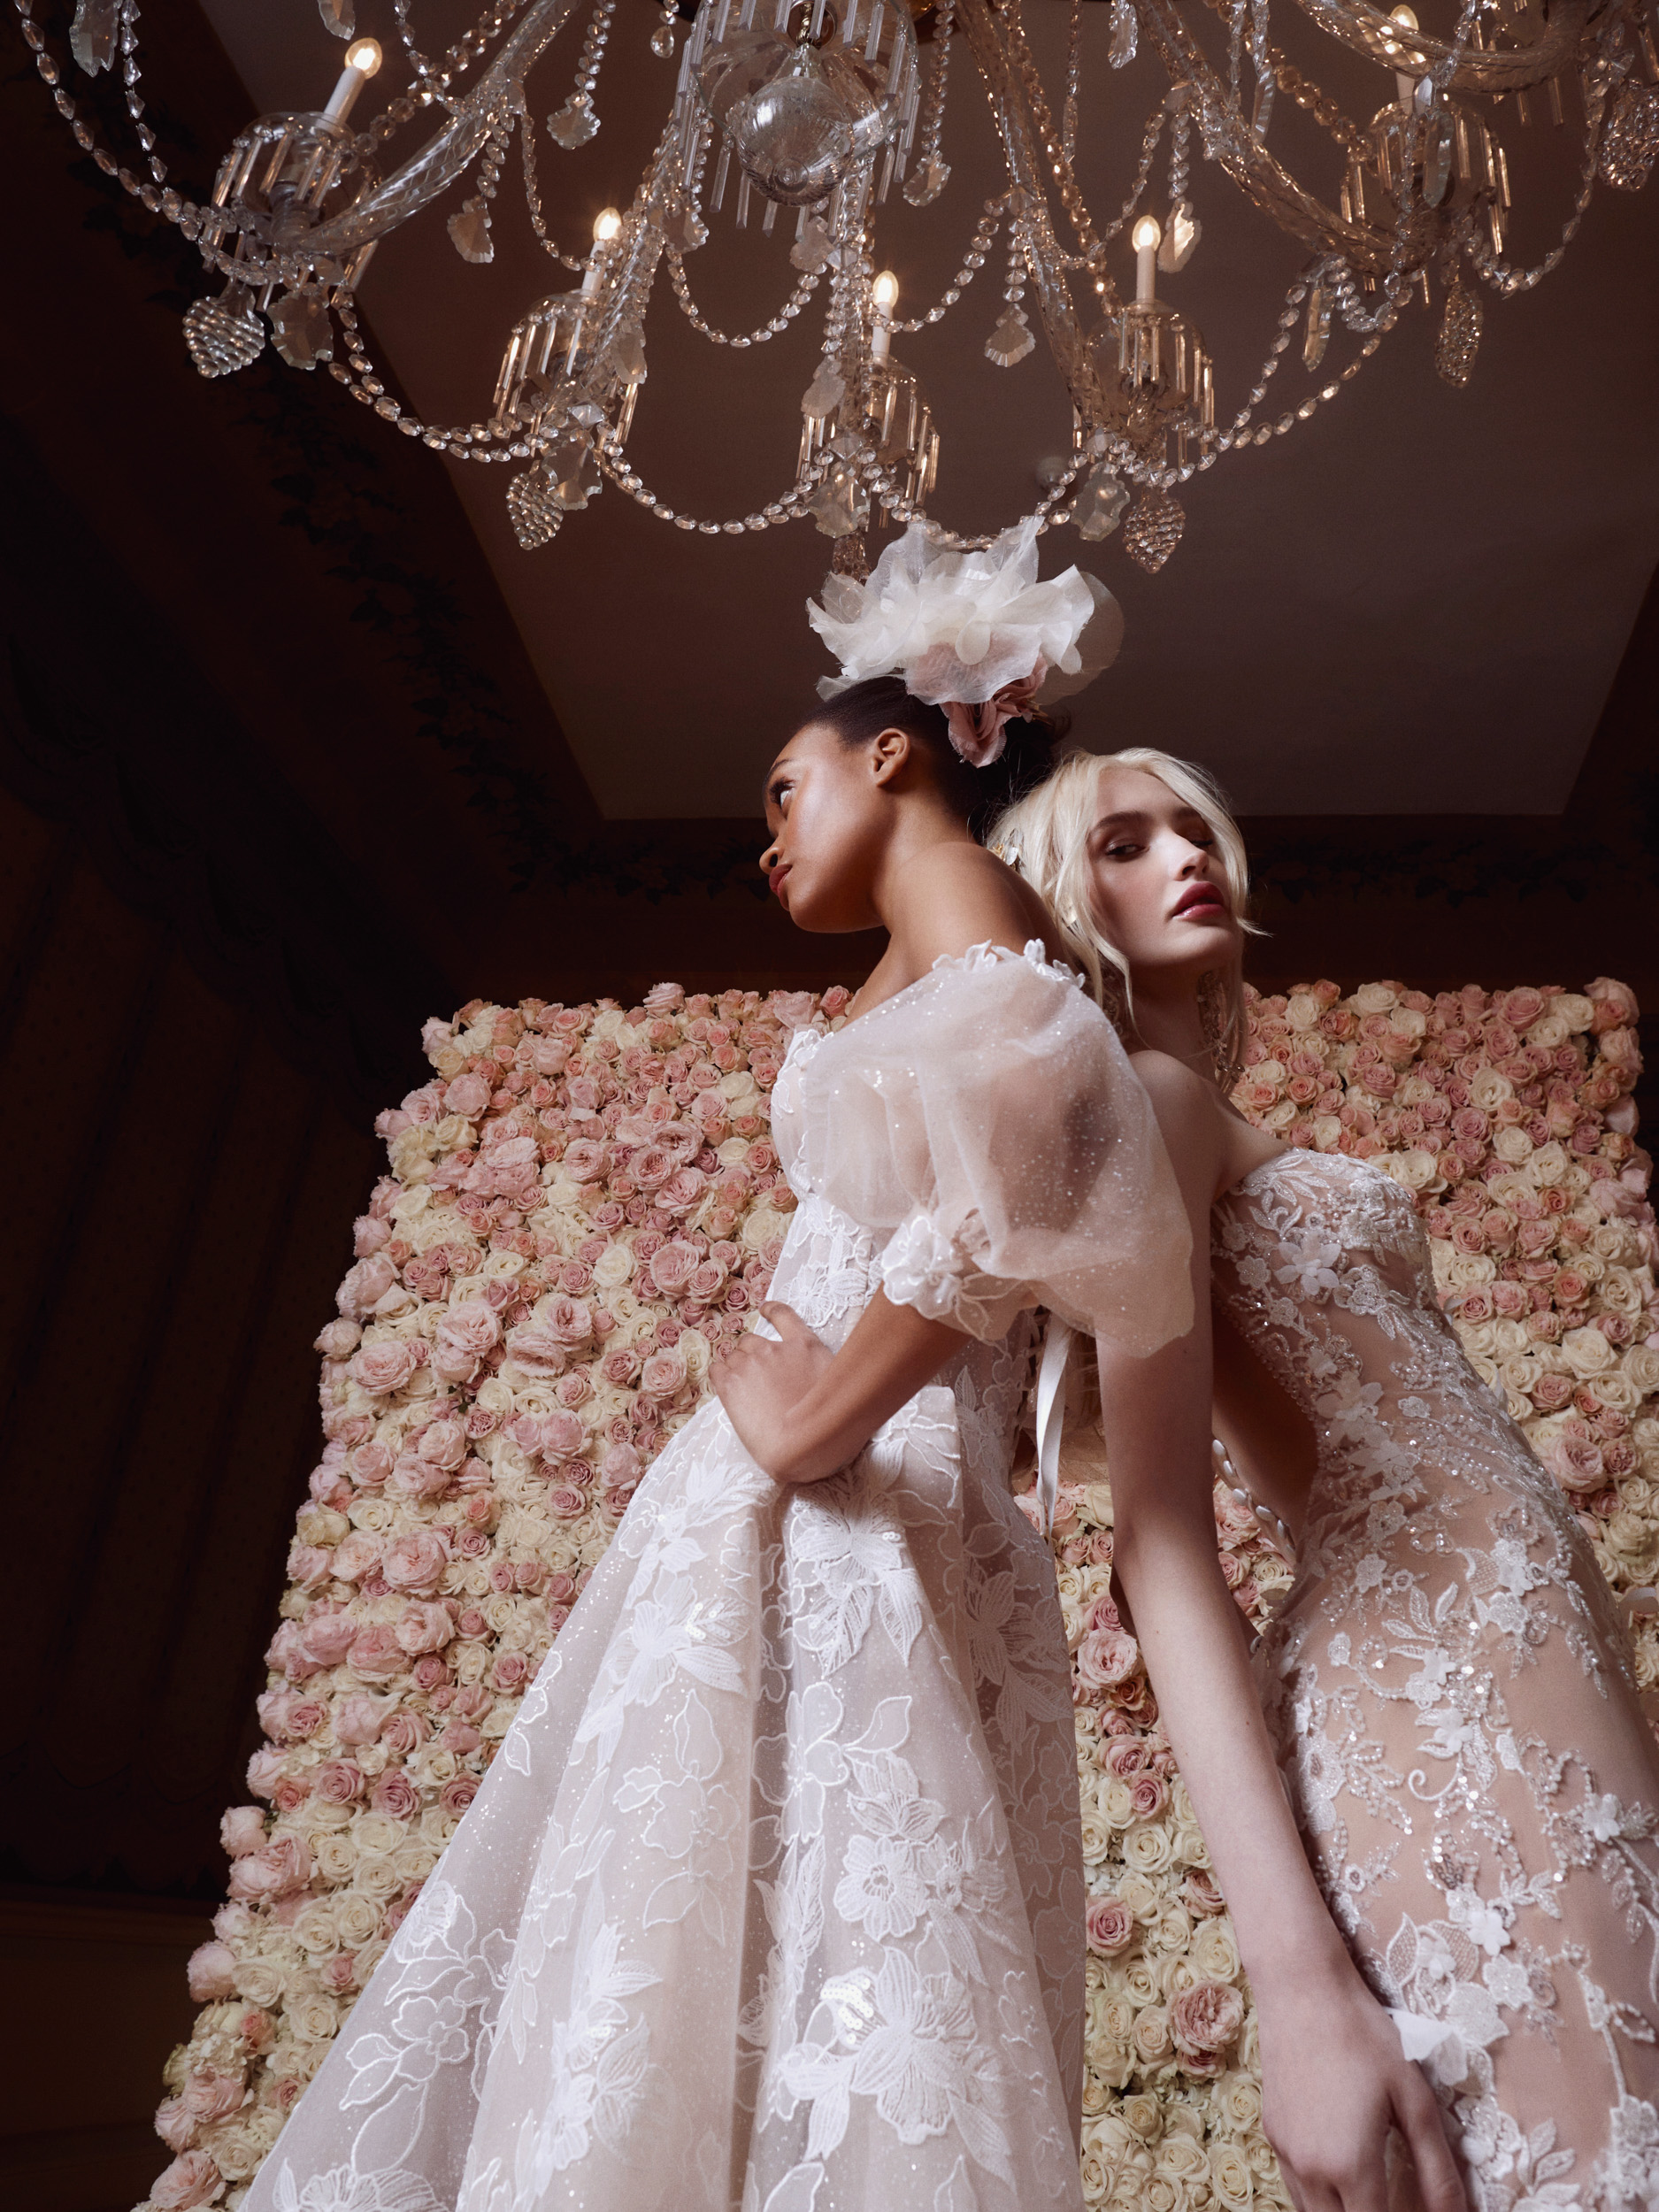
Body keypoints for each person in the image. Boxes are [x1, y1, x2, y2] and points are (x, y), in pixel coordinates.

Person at [244, 527, 1193, 2212]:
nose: (764, 840)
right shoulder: (926, 961)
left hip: (854, 1509)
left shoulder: (985, 940)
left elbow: (1047, 1126)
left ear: (890, 757)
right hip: (798, 1517)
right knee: (705, 1958)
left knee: (814, 1962)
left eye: (782, 792)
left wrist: (822, 1412)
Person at [993, 746, 1659, 2212]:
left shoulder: (1192, 1112)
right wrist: (1295, 1990)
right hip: (1434, 1679)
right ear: (1056, 898)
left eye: (1194, 828)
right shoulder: (1154, 1102)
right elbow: (1158, 1541)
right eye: (1123, 842)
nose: (1186, 855)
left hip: (1535, 1657)